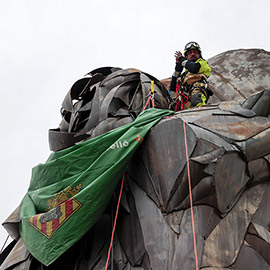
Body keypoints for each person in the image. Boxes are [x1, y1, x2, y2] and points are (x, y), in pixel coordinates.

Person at [169, 41, 212, 110]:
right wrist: (178, 68)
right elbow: (173, 87)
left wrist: (181, 59)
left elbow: (194, 68)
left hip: (197, 92)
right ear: (186, 56)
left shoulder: (202, 63)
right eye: (190, 53)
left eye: (195, 52)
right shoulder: (185, 75)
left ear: (199, 55)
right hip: (186, 98)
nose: (193, 54)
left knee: (196, 99)